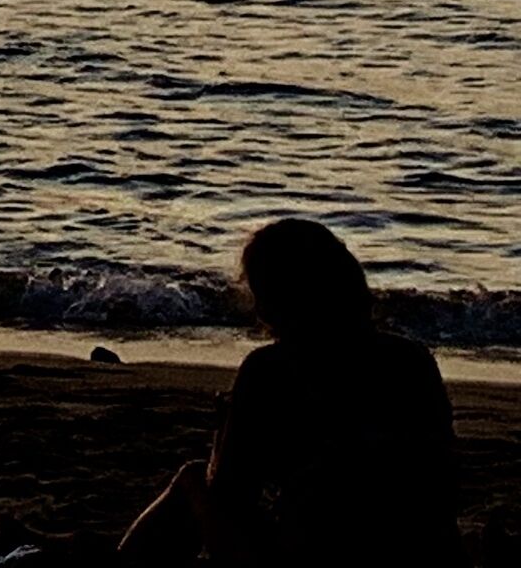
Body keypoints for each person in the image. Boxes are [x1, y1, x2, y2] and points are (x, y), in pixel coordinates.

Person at [118, 218, 457, 567]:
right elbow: (442, 478)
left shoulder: (270, 369)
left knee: (193, 479)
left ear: (272, 299)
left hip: (313, 556)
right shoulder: (411, 359)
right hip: (424, 549)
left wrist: (224, 433)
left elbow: (231, 493)